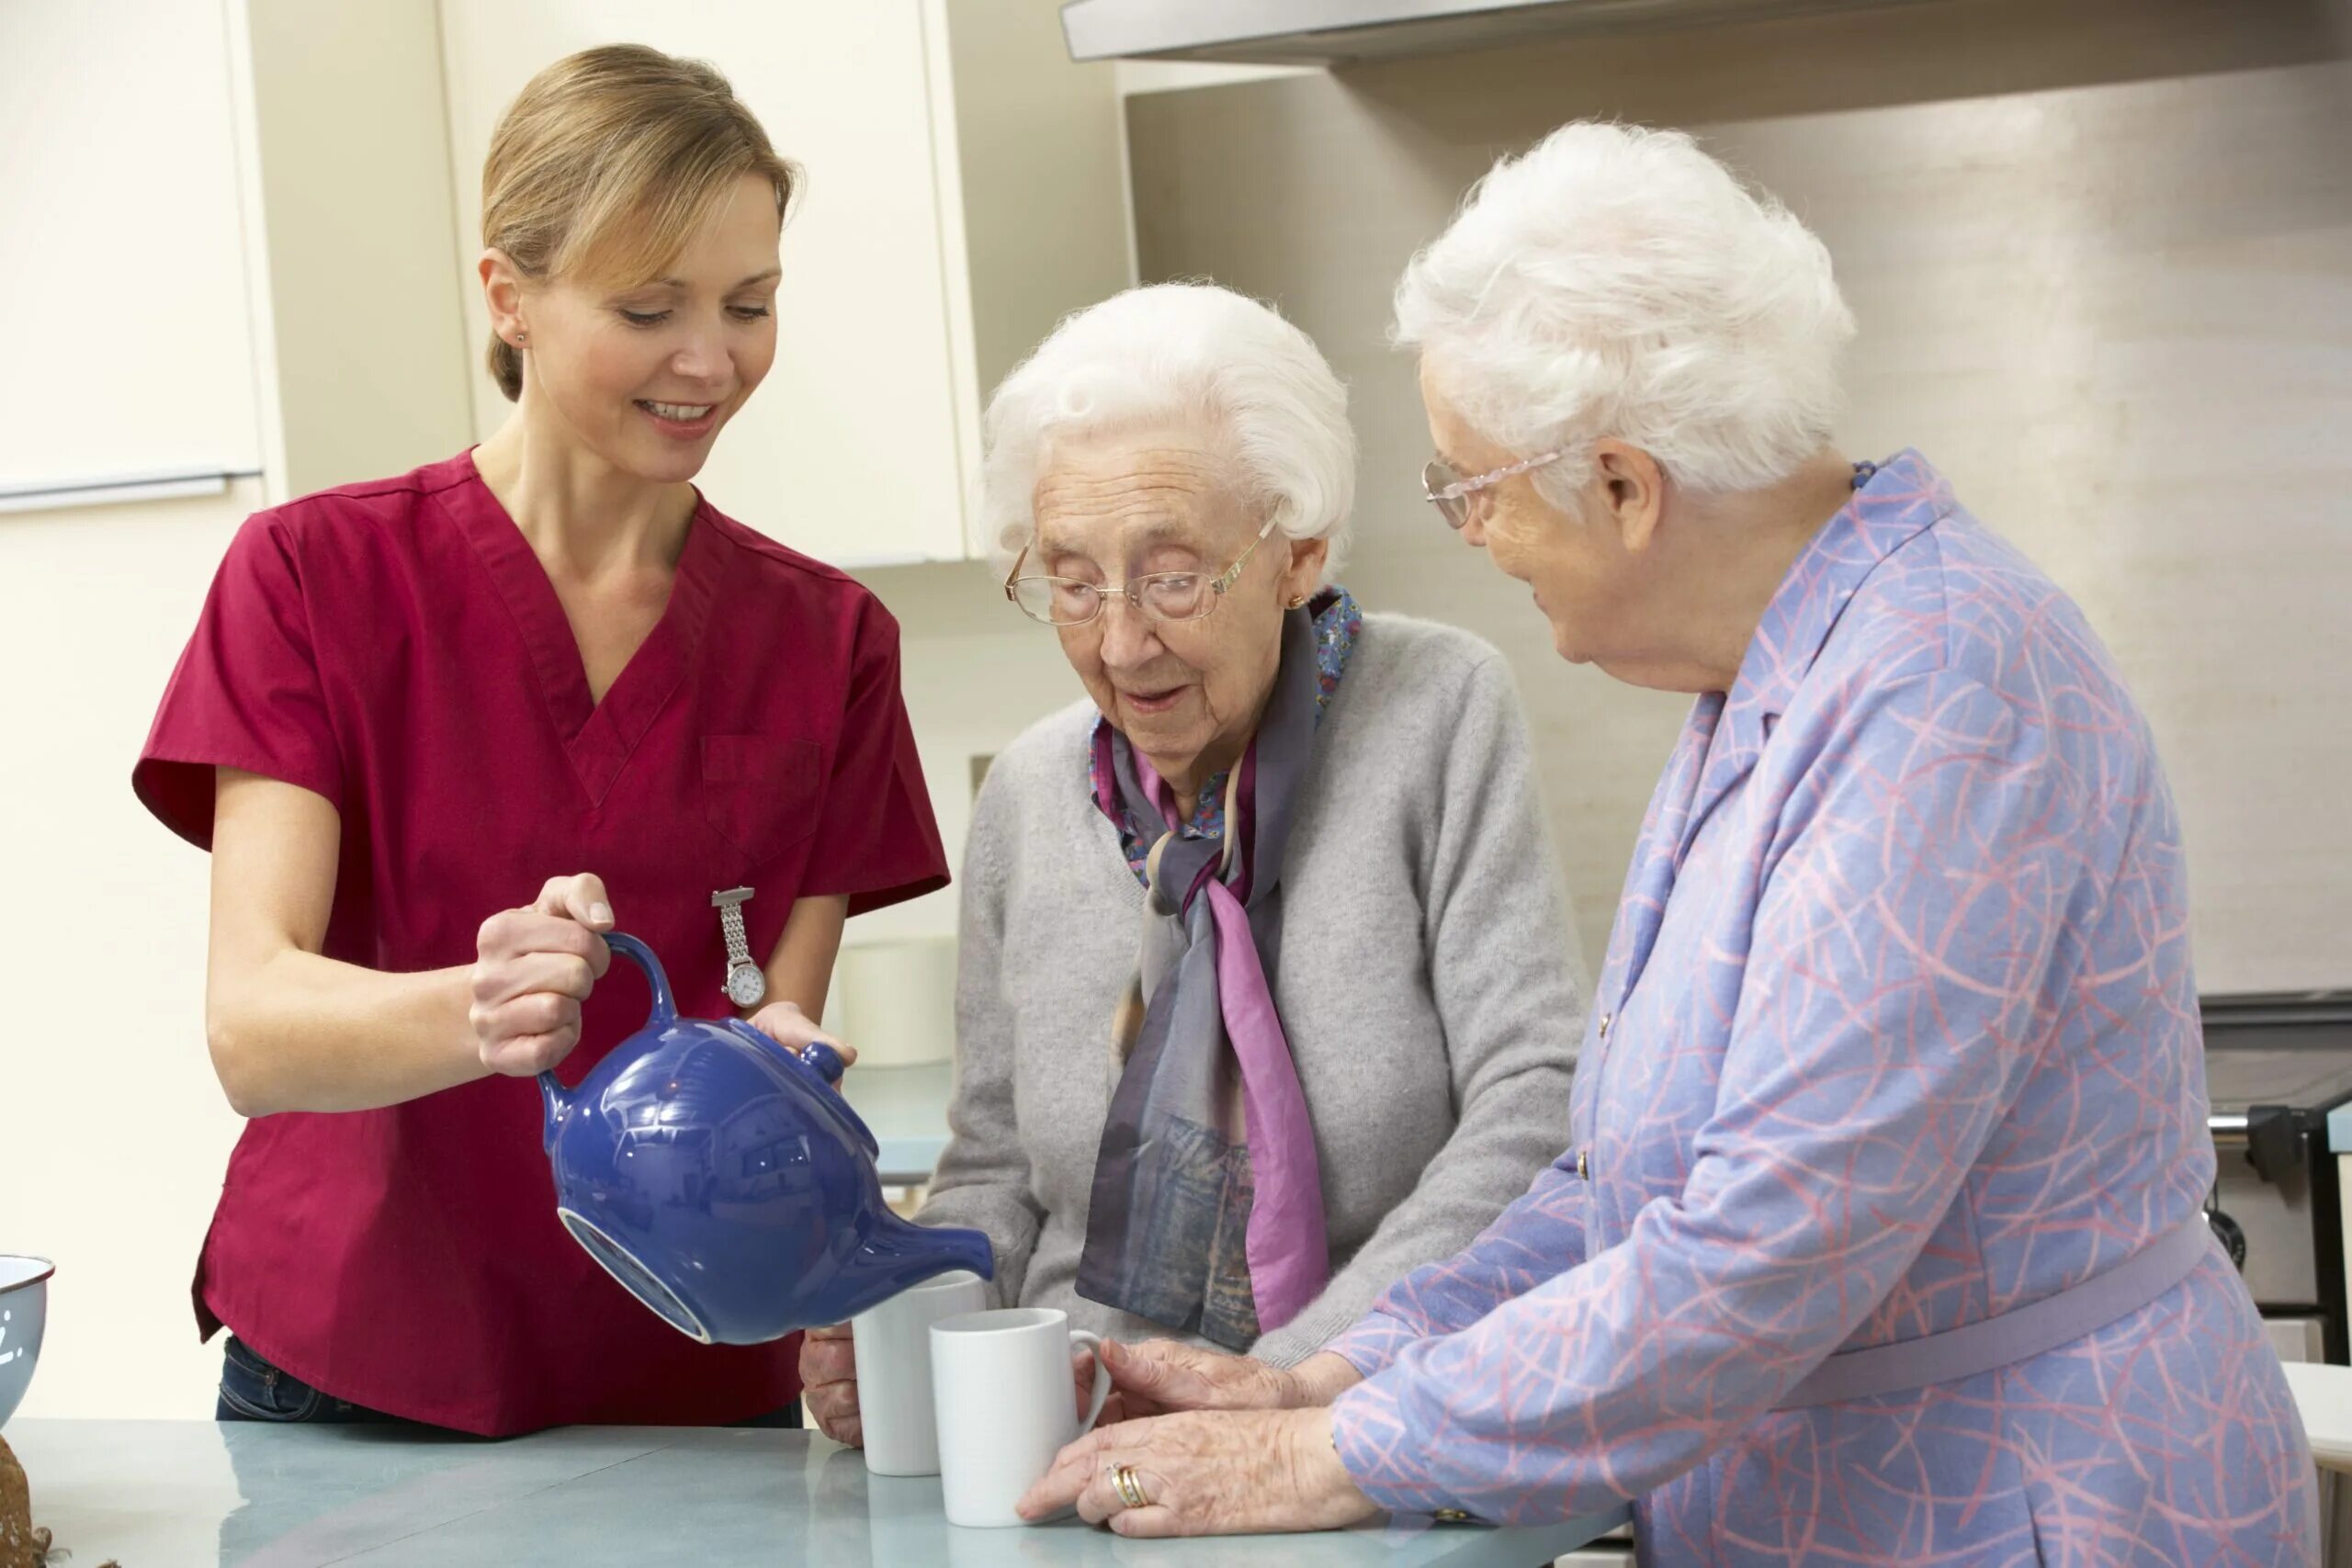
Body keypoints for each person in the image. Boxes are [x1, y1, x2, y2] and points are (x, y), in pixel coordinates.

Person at [1017, 125, 2319, 1562]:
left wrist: (1329, 1456)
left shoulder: (1944, 687)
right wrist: (1333, 1371)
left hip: (2034, 1508)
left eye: (1472, 484)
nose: (1471, 534)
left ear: (1626, 486)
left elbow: (1764, 1244)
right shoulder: (1768, 679)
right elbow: (1618, 1187)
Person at [133, 44, 946, 1437]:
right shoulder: (313, 579)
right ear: (509, 293)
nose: (712, 358)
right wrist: (484, 1005)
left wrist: (789, 1081)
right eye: (649, 307)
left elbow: (763, 1043)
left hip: (690, 1383)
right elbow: (253, 1026)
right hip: (357, 1372)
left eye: (749, 305)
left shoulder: (830, 643)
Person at [797, 283, 1586, 1445]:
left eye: (1172, 576)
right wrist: (907, 1329)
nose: (1120, 643)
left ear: (1297, 554)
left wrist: (1289, 1384)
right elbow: (996, 1172)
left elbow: (1536, 1105)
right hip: (1081, 1434)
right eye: (1070, 581)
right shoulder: (1027, 791)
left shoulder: (1436, 712)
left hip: (1364, 1417)